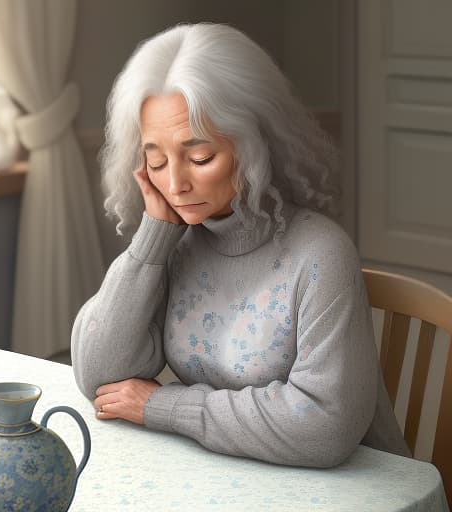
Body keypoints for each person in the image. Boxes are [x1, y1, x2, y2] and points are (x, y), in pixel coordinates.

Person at [71, 22, 410, 467]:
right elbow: (99, 377)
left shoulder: (320, 253)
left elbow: (325, 427)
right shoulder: (176, 241)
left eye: (200, 158)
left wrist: (162, 406)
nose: (174, 183)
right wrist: (152, 238)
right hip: (234, 474)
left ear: (254, 145)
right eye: (155, 159)